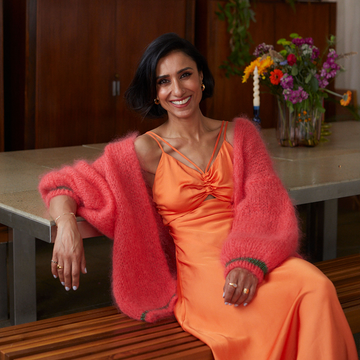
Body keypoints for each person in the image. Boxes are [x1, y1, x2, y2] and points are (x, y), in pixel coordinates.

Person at [39, 33, 358, 360]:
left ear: (201, 77)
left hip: (256, 259)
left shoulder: (240, 135)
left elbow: (265, 201)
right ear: (155, 94)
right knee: (289, 306)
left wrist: (247, 259)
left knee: (317, 288)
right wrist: (66, 226)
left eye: (185, 74)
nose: (177, 90)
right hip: (204, 278)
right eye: (164, 81)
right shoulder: (141, 151)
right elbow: (64, 183)